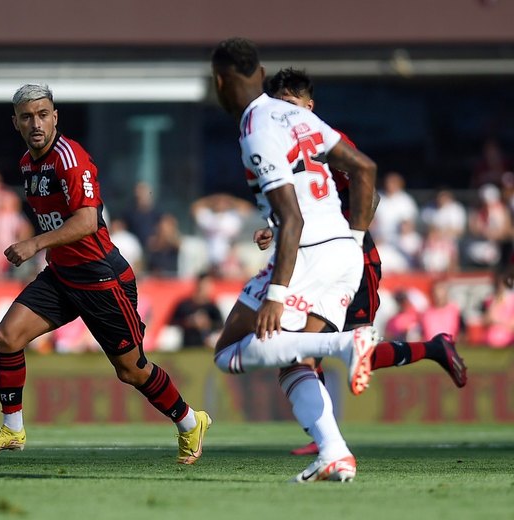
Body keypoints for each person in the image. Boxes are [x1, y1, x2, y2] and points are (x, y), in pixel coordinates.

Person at [0, 84, 211, 464]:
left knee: (132, 371)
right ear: (15, 122)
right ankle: (12, 428)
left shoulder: (70, 158)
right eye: (27, 116)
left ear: (55, 117)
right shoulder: (27, 165)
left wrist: (34, 244)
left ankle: (188, 421)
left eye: (43, 114)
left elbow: (87, 221)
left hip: (101, 278)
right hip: (62, 275)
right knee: (7, 336)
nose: (36, 123)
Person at [265, 67, 467, 457]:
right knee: (303, 348)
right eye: (278, 106)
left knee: (351, 352)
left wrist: (349, 239)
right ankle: (325, 436)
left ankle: (434, 349)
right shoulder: (276, 148)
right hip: (310, 260)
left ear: (309, 106)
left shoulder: (328, 142)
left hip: (350, 260)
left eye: (290, 105)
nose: (283, 114)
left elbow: (369, 194)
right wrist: (273, 230)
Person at [211, 39, 382, 483]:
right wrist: (354, 240)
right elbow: (365, 170)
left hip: (306, 252)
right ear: (261, 72)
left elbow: (292, 217)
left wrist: (276, 294)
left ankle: (346, 345)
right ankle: (334, 453)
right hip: (344, 251)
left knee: (228, 352)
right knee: (294, 362)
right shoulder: (296, 114)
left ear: (220, 82)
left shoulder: (255, 127)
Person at [190, 193, 254, 277]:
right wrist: (211, 199)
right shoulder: (208, 217)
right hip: (213, 260)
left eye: (222, 202)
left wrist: (230, 200)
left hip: (231, 260)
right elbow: (194, 207)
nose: (220, 203)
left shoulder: (233, 217)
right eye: (218, 202)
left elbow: (248, 207)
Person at [169, 272, 223, 348]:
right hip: (186, 344)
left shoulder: (212, 307)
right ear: (199, 284)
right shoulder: (184, 304)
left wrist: (207, 323)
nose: (209, 288)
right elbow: (172, 322)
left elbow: (220, 325)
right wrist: (189, 322)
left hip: (207, 346)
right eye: (206, 284)